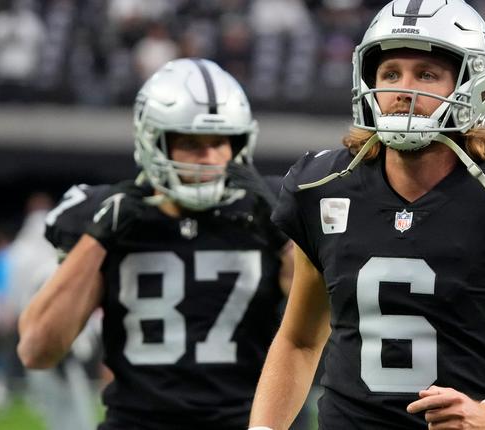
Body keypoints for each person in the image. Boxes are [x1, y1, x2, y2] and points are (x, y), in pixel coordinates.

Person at [249, 1, 485, 429]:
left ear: (474, 84)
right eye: (390, 73)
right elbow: (301, 342)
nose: (403, 89)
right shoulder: (324, 186)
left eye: (427, 74)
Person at [17, 58, 292, 429]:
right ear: (153, 140)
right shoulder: (107, 212)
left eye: (219, 142)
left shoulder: (274, 208)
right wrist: (97, 237)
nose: (209, 159)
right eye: (191, 143)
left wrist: (285, 234)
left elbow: (321, 326)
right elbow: (37, 349)